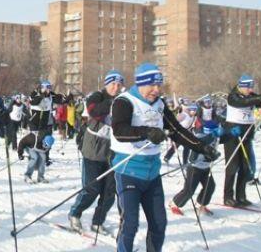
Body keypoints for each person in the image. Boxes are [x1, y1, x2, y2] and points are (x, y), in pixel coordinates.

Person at [110, 63, 219, 252]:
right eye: (152, 85)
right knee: (130, 224)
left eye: (159, 85)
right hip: (128, 170)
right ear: (141, 83)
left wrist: (202, 148)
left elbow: (176, 130)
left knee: (159, 224)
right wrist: (147, 132)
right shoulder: (124, 101)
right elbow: (119, 130)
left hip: (152, 174)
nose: (157, 90)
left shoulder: (160, 104)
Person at [68, 70, 123, 235]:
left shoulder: (122, 101)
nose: (116, 87)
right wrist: (112, 104)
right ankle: (75, 213)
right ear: (106, 84)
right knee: (92, 188)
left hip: (113, 151)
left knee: (109, 192)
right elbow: (94, 111)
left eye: (119, 84)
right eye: (113, 84)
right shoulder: (97, 96)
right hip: (93, 149)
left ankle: (98, 221)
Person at [222, 74, 261, 207]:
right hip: (232, 135)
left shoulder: (250, 95)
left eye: (252, 87)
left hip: (246, 136)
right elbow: (244, 103)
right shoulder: (233, 97)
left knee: (245, 168)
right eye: (248, 88)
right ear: (241, 86)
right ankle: (228, 196)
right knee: (232, 167)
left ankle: (241, 196)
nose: (250, 90)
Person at [169, 121, 222, 216]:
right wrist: (213, 135)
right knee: (189, 190)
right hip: (195, 167)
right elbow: (202, 143)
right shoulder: (199, 136)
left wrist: (232, 133)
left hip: (206, 167)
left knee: (210, 187)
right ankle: (174, 203)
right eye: (211, 131)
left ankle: (201, 203)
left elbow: (223, 139)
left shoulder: (215, 137)